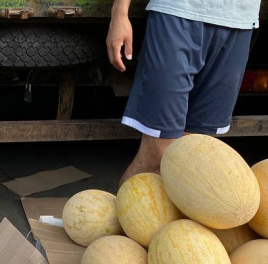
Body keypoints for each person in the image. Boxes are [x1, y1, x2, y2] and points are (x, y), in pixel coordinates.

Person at [108, 0, 260, 184]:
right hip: (178, 13)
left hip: (240, 22)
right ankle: (118, 213)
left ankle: (164, 214)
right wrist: (119, 13)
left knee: (191, 158)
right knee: (158, 155)